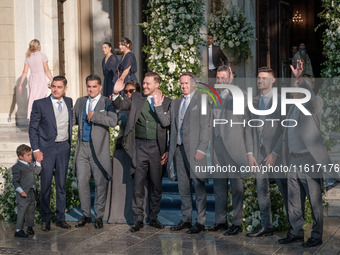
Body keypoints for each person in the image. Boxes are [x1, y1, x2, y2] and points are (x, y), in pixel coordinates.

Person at [112, 72, 171, 232]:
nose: (144, 86)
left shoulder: (167, 102)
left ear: (157, 85)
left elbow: (170, 127)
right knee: (138, 184)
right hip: (138, 147)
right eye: (143, 83)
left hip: (156, 148)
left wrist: (167, 150)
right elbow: (120, 106)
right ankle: (138, 219)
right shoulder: (136, 98)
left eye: (147, 84)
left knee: (156, 185)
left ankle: (153, 218)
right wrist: (116, 93)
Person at [278, 60, 328, 247]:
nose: (294, 88)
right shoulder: (292, 107)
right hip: (293, 159)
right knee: (294, 200)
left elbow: (312, 102)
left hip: (309, 158)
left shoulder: (315, 104)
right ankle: (296, 232)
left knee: (314, 201)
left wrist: (301, 80)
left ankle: (316, 235)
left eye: (298, 85)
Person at [155, 72, 210, 234]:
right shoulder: (176, 102)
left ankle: (200, 221)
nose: (183, 86)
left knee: (199, 186)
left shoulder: (202, 100)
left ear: (193, 84)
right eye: (181, 83)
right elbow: (166, 122)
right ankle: (186, 219)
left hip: (195, 152)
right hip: (178, 150)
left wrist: (201, 148)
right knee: (183, 187)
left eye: (186, 83)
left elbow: (206, 127)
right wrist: (158, 106)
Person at [245, 67, 289, 237]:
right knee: (261, 191)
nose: (260, 80)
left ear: (273, 80)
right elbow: (248, 129)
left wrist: (275, 152)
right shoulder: (254, 102)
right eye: (258, 78)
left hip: (277, 154)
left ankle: (294, 229)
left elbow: (285, 129)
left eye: (264, 78)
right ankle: (266, 226)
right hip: (259, 154)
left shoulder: (281, 101)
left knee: (286, 191)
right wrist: (250, 153)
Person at [73, 74, 117, 229]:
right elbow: (73, 120)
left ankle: (99, 215)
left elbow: (113, 121)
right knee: (82, 182)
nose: (91, 89)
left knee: (100, 183)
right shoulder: (80, 101)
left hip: (98, 148)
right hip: (82, 147)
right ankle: (86, 214)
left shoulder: (107, 102)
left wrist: (96, 116)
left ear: (99, 87)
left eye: (94, 86)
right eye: (89, 86)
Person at [29, 75, 73, 231]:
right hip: (46, 149)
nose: (55, 89)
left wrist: (68, 144)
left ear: (65, 88)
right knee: (46, 185)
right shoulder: (40, 104)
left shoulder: (69, 102)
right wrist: (36, 150)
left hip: (63, 148)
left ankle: (61, 218)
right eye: (54, 86)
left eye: (59, 87)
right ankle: (46, 218)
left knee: (61, 184)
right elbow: (33, 129)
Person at [208, 65, 247, 236]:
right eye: (218, 77)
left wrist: (231, 86)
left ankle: (236, 222)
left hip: (232, 147)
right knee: (219, 187)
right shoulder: (213, 97)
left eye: (224, 77)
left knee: (236, 187)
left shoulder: (237, 95)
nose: (220, 80)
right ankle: (220, 221)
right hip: (217, 146)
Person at [104, 80, 142, 224]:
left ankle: (135, 215)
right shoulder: (119, 106)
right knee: (119, 183)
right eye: (125, 91)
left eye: (131, 91)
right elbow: (113, 121)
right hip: (120, 148)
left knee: (133, 184)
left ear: (137, 92)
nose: (128, 94)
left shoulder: (141, 105)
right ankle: (116, 214)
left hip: (135, 149)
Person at [18, 39, 53, 120]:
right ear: (39, 46)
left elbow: (24, 72)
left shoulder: (28, 57)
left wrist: (20, 84)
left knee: (32, 98)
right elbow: (47, 70)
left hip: (32, 79)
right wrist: (52, 80)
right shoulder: (42, 56)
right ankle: (38, 118)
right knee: (40, 98)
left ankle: (32, 117)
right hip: (40, 79)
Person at [12, 144, 42, 238]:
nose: (30, 157)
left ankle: (29, 226)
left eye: (30, 154)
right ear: (20, 157)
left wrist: (38, 162)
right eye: (28, 155)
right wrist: (21, 191)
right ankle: (18, 230)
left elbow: (37, 172)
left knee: (31, 211)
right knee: (22, 211)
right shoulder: (17, 167)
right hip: (23, 194)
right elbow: (15, 181)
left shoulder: (30, 164)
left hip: (32, 192)